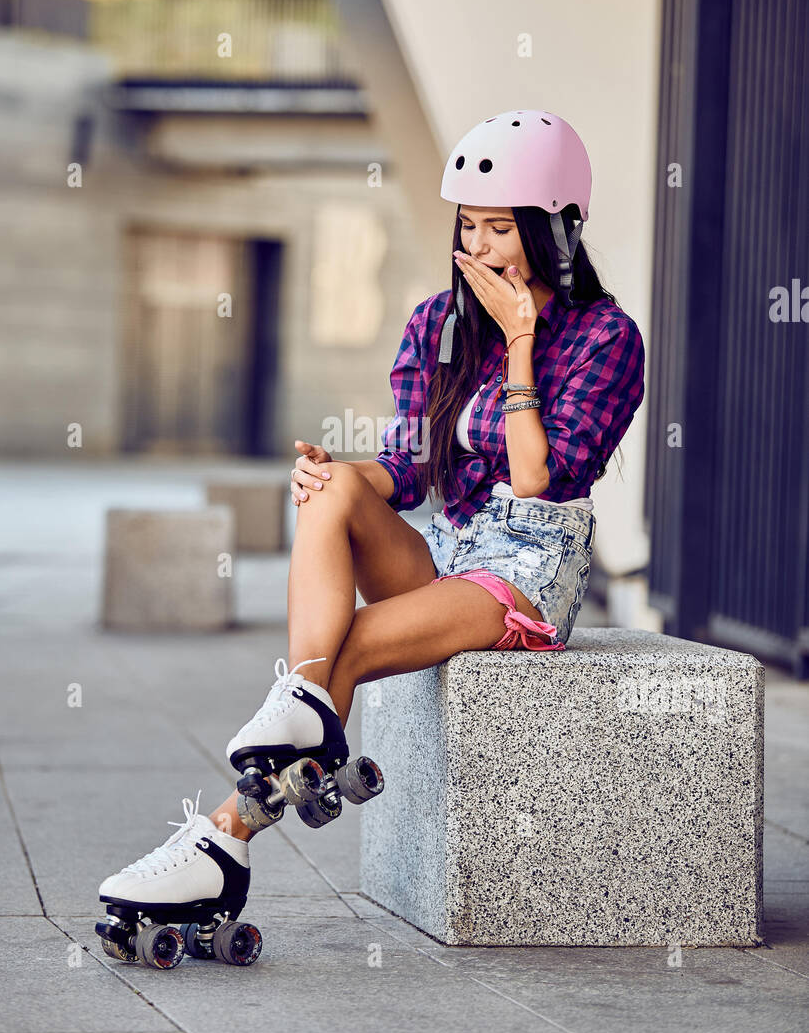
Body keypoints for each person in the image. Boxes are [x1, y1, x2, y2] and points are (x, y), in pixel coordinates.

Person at [94, 108, 645, 967]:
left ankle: (223, 841)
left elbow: (541, 477)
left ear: (556, 230)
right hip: (452, 556)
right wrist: (334, 474)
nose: (482, 245)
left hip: (528, 573)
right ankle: (299, 719)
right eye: (469, 224)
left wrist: (524, 343)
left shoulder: (606, 337)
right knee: (336, 487)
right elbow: (409, 468)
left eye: (502, 228)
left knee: (340, 655)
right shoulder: (438, 323)